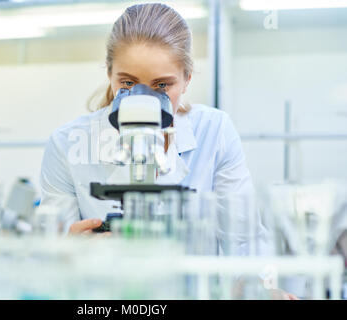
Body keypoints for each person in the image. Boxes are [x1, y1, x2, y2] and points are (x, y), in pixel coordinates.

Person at [40, 3, 298, 299]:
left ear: (187, 78)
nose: (143, 99)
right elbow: (51, 259)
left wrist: (261, 290)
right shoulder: (66, 143)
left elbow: (244, 240)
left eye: (162, 85)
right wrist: (64, 252)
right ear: (109, 74)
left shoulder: (214, 131)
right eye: (127, 83)